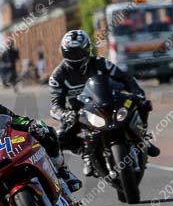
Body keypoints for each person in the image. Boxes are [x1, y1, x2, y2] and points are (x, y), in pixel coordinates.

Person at [49, 29, 160, 176]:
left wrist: (136, 91)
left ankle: (142, 137)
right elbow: (56, 104)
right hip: (79, 112)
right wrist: (64, 114)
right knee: (59, 137)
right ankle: (85, 152)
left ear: (87, 50)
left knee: (140, 103)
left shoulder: (101, 63)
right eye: (71, 53)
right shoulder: (57, 76)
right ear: (63, 52)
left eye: (79, 53)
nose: (75, 57)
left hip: (108, 102)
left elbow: (124, 77)